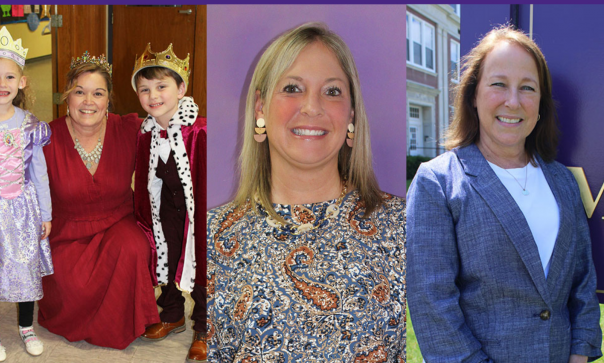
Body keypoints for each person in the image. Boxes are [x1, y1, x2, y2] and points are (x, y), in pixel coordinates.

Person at [209, 23, 405, 362]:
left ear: (351, 116)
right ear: (260, 109)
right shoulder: (214, 236)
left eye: (331, 92)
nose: (312, 107)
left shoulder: (405, 226)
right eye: (292, 88)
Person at [407, 26, 602, 363]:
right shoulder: (437, 182)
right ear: (473, 95)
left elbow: (583, 280)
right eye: (499, 84)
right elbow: (432, 304)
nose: (513, 101)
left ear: (540, 103)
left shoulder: (561, 181)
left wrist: (580, 353)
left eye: (527, 88)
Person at [38, 53, 159, 347]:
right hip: (66, 233)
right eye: (79, 92)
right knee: (72, 285)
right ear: (67, 97)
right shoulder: (44, 137)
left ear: (108, 100)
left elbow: (171, 129)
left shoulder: (131, 129)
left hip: (118, 220)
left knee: (132, 248)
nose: (88, 101)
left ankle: (123, 320)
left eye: (98, 93)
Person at [0, 27, 53, 361]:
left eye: (9, 77)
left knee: (25, 267)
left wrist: (46, 213)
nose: (1, 84)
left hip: (24, 210)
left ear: (22, 82)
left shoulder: (30, 124)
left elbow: (39, 171)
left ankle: (26, 326)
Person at [132, 44, 207, 361]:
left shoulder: (198, 131)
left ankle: (204, 325)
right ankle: (172, 313)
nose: (153, 96)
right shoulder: (146, 133)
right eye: (144, 89)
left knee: (203, 267)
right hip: (164, 211)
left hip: (197, 214)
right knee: (167, 258)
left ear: (181, 89)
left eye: (161, 86)